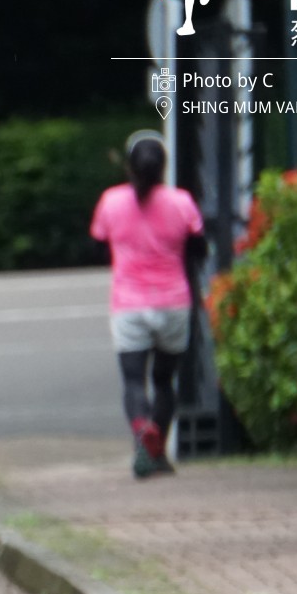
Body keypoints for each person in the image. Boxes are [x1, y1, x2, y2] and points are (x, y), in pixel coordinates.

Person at [90, 132, 203, 478]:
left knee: (134, 381)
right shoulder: (181, 202)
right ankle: (158, 452)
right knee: (164, 380)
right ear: (163, 167)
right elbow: (199, 249)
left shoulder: (111, 201)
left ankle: (142, 430)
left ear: (129, 167)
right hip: (173, 302)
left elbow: (98, 245)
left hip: (129, 305)